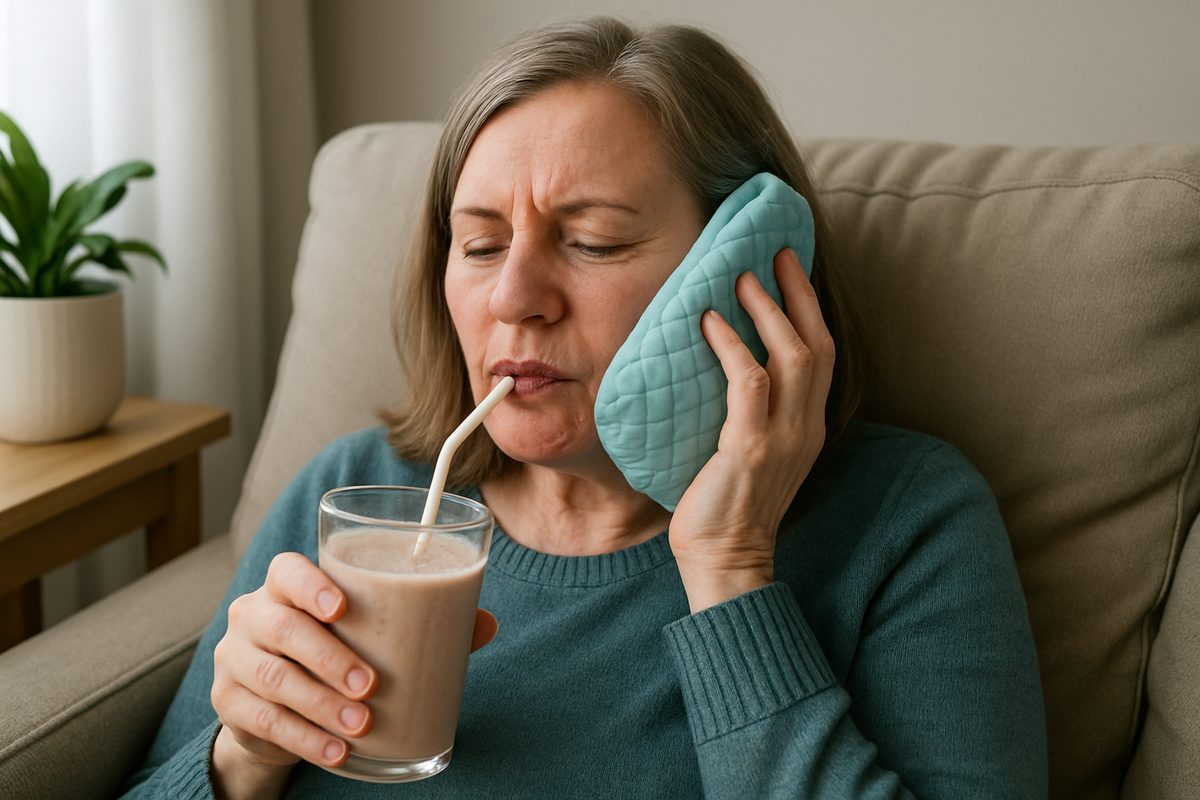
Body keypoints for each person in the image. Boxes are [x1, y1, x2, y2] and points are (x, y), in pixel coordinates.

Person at [124, 16, 1046, 800]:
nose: (514, 297)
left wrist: (730, 571)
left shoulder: (907, 520)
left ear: (743, 269)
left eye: (594, 242)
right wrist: (240, 758)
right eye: (480, 246)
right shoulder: (353, 489)